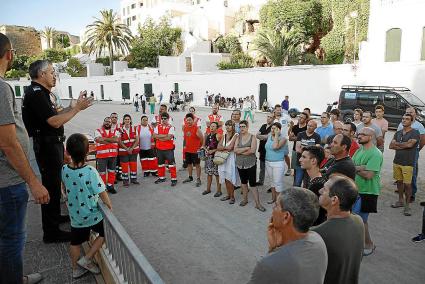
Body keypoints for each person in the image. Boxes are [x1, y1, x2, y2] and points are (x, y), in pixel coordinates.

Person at [22, 59, 92, 243]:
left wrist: (71, 106)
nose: (55, 76)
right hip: (46, 146)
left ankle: (55, 218)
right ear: (42, 74)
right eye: (52, 72)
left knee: (53, 185)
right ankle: (51, 232)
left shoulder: (42, 93)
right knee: (50, 186)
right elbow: (54, 122)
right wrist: (77, 109)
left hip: (52, 145)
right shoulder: (37, 93)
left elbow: (55, 115)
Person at [0, 33, 49, 284]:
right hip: (7, 183)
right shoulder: (1, 88)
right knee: (11, 239)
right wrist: (33, 181)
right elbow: (8, 142)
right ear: (10, 54)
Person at [248, 188, 327, 284]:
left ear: (286, 217)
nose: (273, 210)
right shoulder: (318, 240)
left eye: (276, 206)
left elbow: (277, 263)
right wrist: (276, 248)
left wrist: (272, 251)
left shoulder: (268, 265)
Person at [61, 133, 113, 279]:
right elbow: (101, 191)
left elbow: (64, 187)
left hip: (75, 215)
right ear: (88, 152)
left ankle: (75, 269)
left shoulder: (64, 169)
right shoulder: (90, 171)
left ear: (67, 152)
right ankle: (88, 258)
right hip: (92, 215)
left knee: (75, 242)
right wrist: (109, 205)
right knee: (104, 234)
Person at [313, 176, 364, 284]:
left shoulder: (317, 234)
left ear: (334, 200)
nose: (320, 190)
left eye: (325, 189)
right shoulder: (358, 221)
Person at [352, 127, 383, 256]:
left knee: (362, 221)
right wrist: (361, 167)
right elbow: (351, 165)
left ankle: (369, 244)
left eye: (363, 135)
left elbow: (369, 175)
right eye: (358, 134)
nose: (359, 136)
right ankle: (360, 243)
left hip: (368, 192)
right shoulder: (359, 150)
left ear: (370, 137)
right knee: (356, 219)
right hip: (356, 189)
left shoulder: (375, 153)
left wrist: (356, 168)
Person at [389, 114, 420, 216]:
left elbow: (410, 145)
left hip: (408, 163)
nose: (404, 120)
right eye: (403, 119)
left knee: (408, 185)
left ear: (411, 121)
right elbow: (391, 146)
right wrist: (404, 145)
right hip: (397, 161)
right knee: (399, 182)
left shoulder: (415, 132)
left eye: (407, 119)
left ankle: (407, 206)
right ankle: (400, 201)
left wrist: (398, 144)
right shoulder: (397, 132)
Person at [234, 120, 265, 212]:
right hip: (240, 164)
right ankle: (245, 200)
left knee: (252, 184)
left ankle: (258, 204)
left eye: (244, 126)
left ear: (247, 127)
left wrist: (241, 150)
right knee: (243, 182)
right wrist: (246, 148)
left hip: (250, 163)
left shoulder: (252, 137)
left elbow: (252, 151)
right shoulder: (237, 137)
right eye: (240, 127)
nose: (242, 128)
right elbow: (235, 150)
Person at [396, 107, 425, 202]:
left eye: (411, 112)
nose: (409, 113)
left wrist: (415, 150)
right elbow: (397, 138)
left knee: (412, 173)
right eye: (407, 112)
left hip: (413, 152)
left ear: (415, 114)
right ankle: (403, 189)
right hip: (401, 151)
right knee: (401, 172)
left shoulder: (419, 126)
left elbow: (422, 141)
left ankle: (412, 193)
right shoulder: (401, 124)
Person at [299, 146, 327, 225]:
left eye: (304, 157)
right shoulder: (318, 178)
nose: (300, 159)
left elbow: (312, 214)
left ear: (313, 161)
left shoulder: (317, 186)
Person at [94, 117, 119, 194]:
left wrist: (104, 139)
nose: (107, 123)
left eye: (109, 122)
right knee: (102, 173)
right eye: (106, 121)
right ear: (103, 122)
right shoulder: (98, 131)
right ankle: (103, 188)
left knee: (112, 171)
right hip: (102, 156)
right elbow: (99, 140)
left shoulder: (116, 131)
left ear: (111, 123)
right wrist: (110, 140)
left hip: (113, 156)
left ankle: (110, 186)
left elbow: (116, 140)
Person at [217, 120, 240, 204]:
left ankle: (232, 196)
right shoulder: (224, 135)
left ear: (233, 126)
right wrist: (225, 147)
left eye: (229, 125)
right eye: (226, 125)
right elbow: (218, 146)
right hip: (223, 159)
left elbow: (231, 148)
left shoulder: (236, 135)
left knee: (230, 177)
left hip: (230, 159)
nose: (227, 127)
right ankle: (228, 195)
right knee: (225, 177)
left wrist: (223, 147)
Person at [264, 122, 287, 204]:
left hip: (278, 163)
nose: (272, 130)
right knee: (272, 182)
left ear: (279, 130)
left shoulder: (283, 138)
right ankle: (273, 199)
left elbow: (275, 147)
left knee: (278, 183)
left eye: (275, 128)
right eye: (272, 128)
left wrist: (277, 135)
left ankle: (279, 202)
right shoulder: (269, 136)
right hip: (268, 162)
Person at [153, 112, 177, 186]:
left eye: (165, 118)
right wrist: (164, 137)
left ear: (168, 119)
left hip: (168, 149)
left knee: (171, 165)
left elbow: (169, 137)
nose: (163, 120)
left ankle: (174, 179)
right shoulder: (157, 126)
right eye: (162, 118)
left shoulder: (171, 127)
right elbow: (154, 135)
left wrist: (159, 137)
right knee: (160, 164)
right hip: (159, 149)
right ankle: (161, 177)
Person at [294, 120, 321, 186]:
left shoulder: (317, 136)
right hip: (300, 162)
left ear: (315, 127)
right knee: (297, 182)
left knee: (307, 184)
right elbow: (297, 149)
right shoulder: (300, 134)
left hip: (310, 164)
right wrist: (311, 148)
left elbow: (316, 150)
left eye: (311, 126)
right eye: (308, 125)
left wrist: (303, 147)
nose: (309, 127)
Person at [118, 114, 140, 187]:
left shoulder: (134, 128)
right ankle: (125, 181)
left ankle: (134, 179)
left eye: (128, 119)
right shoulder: (120, 129)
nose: (127, 120)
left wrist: (131, 148)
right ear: (123, 121)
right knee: (124, 166)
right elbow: (119, 141)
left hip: (133, 150)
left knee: (133, 165)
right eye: (125, 119)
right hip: (124, 151)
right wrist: (127, 149)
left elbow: (137, 140)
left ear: (130, 120)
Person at [182, 113, 204, 188]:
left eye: (190, 120)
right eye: (187, 120)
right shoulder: (184, 127)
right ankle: (190, 177)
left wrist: (201, 147)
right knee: (189, 164)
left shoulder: (196, 128)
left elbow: (202, 139)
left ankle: (198, 179)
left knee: (197, 165)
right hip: (188, 150)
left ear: (193, 120)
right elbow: (185, 138)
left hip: (196, 151)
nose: (188, 121)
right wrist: (184, 147)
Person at [203, 122, 221, 196]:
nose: (212, 127)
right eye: (211, 126)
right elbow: (203, 145)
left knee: (217, 174)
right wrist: (206, 150)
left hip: (216, 157)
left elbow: (221, 147)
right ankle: (208, 189)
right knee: (209, 173)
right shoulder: (207, 135)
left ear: (217, 128)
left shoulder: (218, 136)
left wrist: (213, 150)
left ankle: (219, 191)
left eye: (214, 126)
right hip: (208, 157)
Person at [256, 113, 274, 186]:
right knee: (262, 167)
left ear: (273, 119)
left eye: (270, 117)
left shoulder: (274, 127)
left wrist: (262, 137)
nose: (268, 118)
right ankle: (261, 181)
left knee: (271, 168)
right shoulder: (263, 126)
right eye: (268, 117)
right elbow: (257, 135)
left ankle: (273, 185)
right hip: (262, 149)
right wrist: (264, 137)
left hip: (270, 150)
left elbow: (268, 137)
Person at [288, 111, 308, 177]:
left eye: (302, 118)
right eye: (299, 117)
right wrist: (300, 138)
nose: (299, 118)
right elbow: (290, 138)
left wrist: (296, 138)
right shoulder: (295, 127)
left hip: (304, 151)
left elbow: (307, 140)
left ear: (306, 120)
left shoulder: (307, 128)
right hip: (295, 150)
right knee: (295, 169)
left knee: (304, 170)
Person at [273, 104, 291, 174]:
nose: (278, 111)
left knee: (285, 154)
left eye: (280, 110)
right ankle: (278, 169)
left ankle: (289, 168)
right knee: (276, 154)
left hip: (284, 139)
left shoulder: (285, 117)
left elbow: (291, 123)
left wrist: (289, 132)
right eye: (277, 110)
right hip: (275, 139)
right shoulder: (273, 118)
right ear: (274, 110)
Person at [110, 113, 122, 182]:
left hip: (119, 147)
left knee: (119, 162)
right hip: (111, 147)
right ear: (110, 118)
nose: (114, 118)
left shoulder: (120, 126)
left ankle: (118, 174)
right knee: (112, 163)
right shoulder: (107, 125)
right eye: (113, 117)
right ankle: (113, 176)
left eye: (116, 117)